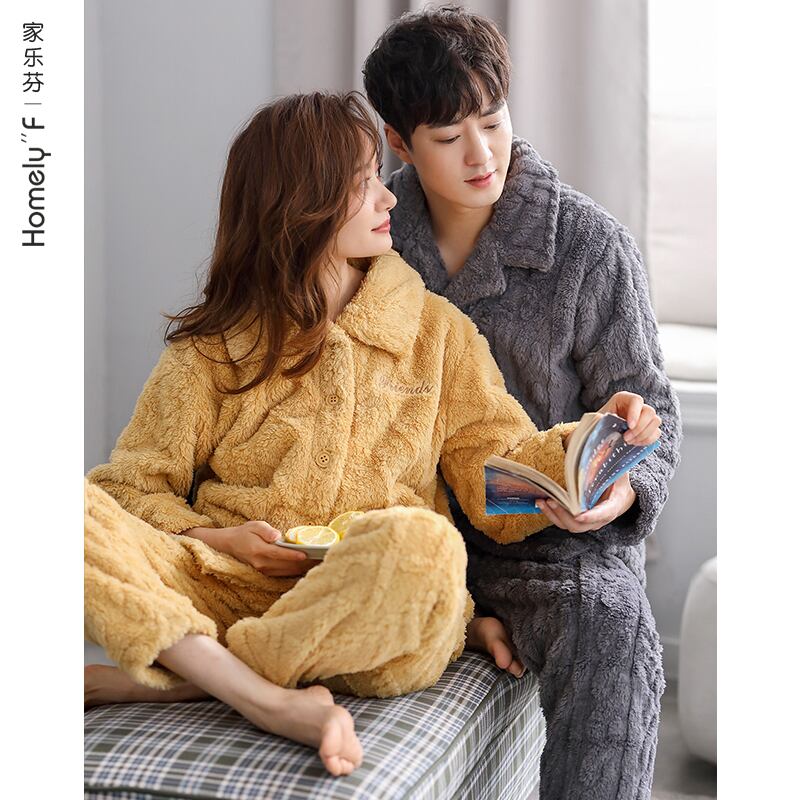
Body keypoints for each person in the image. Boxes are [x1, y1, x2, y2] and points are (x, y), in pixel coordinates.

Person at [84, 91, 662, 779]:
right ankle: (267, 695)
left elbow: (496, 479)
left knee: (428, 549)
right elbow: (128, 491)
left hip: (373, 596)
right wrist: (219, 538)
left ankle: (204, 673)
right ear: (301, 205)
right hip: (225, 585)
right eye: (363, 185)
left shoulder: (436, 334)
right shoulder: (213, 347)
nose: (388, 198)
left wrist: (585, 445)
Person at [363, 7, 682, 799]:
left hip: (555, 550)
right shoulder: (370, 241)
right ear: (399, 142)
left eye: (493, 121)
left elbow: (652, 411)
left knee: (613, 626)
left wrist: (613, 496)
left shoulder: (589, 245)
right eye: (448, 137)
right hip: (412, 535)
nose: (481, 154)